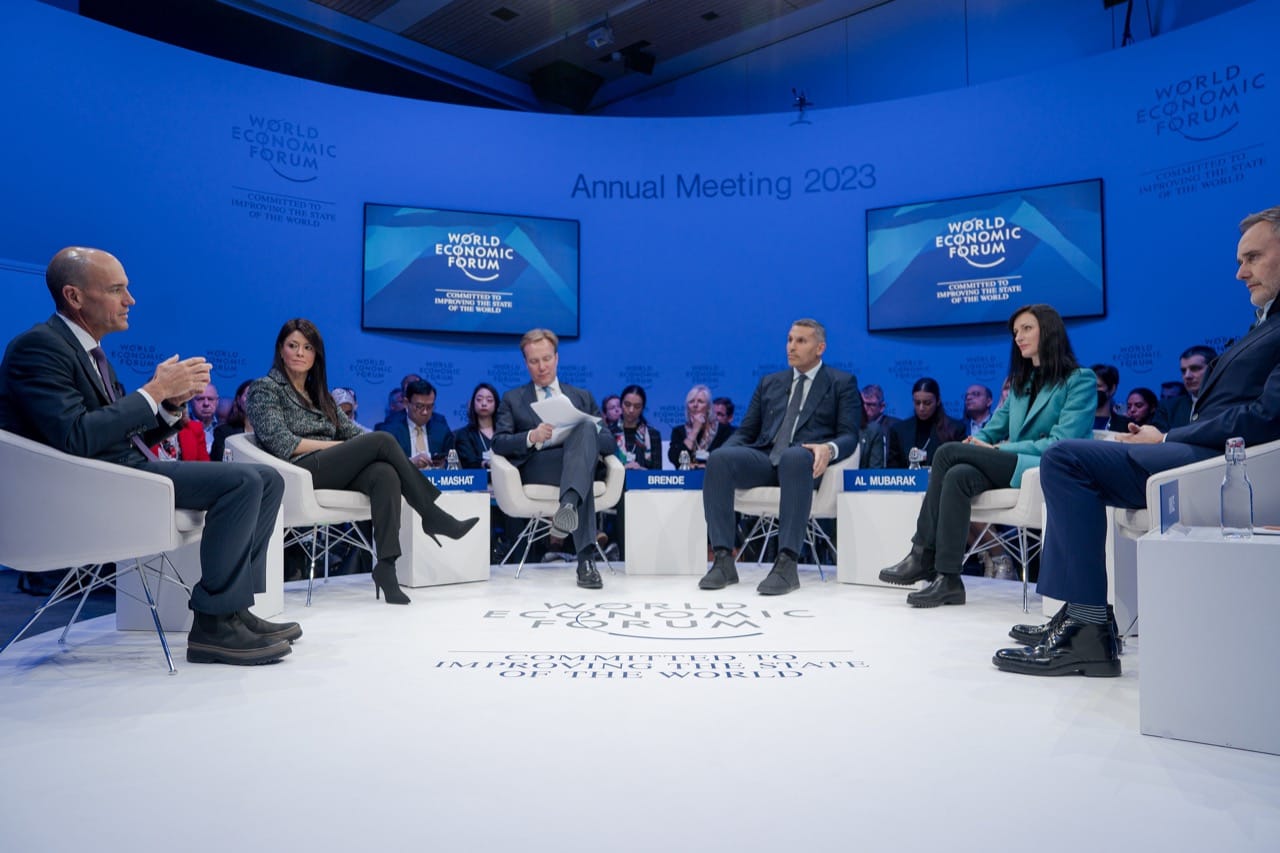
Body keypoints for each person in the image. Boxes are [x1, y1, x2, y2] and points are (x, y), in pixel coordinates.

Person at [994, 207, 1280, 676]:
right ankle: (1081, 615)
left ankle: (1088, 629)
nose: (1240, 272)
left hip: (1227, 465)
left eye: (1253, 258)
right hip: (1204, 453)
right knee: (1067, 463)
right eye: (1240, 260)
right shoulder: (1265, 322)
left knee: (1065, 459)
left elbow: (1267, 417)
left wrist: (1166, 435)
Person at [0, 247, 295, 665]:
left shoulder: (90, 354)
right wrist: (153, 391)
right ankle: (213, 624)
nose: (130, 300)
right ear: (74, 296)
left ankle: (234, 609)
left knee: (268, 478)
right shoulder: (38, 348)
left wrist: (170, 405)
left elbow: (116, 432)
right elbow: (76, 436)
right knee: (243, 480)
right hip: (84, 489)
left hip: (116, 472)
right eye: (116, 290)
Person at [246, 319, 477, 606]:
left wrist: (363, 449)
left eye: (307, 347)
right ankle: (432, 515)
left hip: (331, 467)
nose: (300, 353)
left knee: (384, 473)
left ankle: (387, 567)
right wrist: (343, 447)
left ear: (316, 355)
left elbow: (353, 434)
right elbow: (282, 443)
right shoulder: (265, 388)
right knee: (382, 440)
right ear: (281, 350)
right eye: (293, 346)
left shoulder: (320, 394)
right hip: (298, 470)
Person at [879, 304, 1095, 607]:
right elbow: (992, 430)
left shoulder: (1080, 379)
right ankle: (949, 579)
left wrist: (996, 449)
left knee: (947, 452)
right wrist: (975, 443)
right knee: (957, 475)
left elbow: (1062, 443)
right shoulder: (1021, 384)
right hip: (1015, 465)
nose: (1018, 337)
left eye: (1027, 329)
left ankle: (922, 553)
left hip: (1049, 467)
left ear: (1049, 331)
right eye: (1016, 332)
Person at [698, 319, 859, 595]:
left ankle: (787, 563)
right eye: (789, 339)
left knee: (794, 457)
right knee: (720, 459)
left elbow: (850, 435)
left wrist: (828, 448)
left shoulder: (841, 382)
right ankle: (723, 560)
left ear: (820, 348)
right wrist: (725, 454)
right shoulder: (770, 382)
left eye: (801, 341)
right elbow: (746, 432)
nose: (791, 347)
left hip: (806, 463)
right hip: (767, 458)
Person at [492, 328, 618, 589]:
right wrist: (532, 436)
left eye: (547, 359)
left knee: (585, 430)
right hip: (541, 467)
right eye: (534, 361)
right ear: (526, 363)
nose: (542, 367)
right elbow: (499, 442)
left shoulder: (582, 397)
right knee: (581, 474)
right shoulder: (513, 399)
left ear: (557, 358)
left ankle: (568, 506)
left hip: (578, 463)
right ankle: (585, 561)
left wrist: (581, 430)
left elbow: (609, 443)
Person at [886, 377, 963, 468]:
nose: (921, 408)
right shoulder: (898, 430)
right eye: (917, 403)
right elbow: (892, 469)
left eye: (927, 403)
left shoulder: (955, 429)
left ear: (938, 401)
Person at [377, 378, 454, 468]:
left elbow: (453, 464)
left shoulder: (442, 432)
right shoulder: (390, 432)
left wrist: (444, 465)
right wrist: (410, 463)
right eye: (419, 406)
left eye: (429, 407)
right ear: (406, 403)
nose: (425, 412)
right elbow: (383, 466)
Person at [1153, 344, 1217, 430]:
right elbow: (1157, 436)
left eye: (1195, 368)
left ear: (1214, 369)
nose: (1187, 376)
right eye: (1183, 371)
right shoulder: (1168, 408)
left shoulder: (1230, 403)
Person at [669, 384, 729, 468]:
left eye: (700, 401)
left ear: (708, 407)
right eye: (691, 402)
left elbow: (726, 460)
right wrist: (694, 431)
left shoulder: (724, 431)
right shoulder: (678, 431)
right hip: (688, 475)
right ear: (687, 408)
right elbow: (676, 459)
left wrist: (705, 465)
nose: (695, 405)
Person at [613, 384, 663, 470]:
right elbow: (602, 470)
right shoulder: (609, 433)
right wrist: (623, 469)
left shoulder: (653, 434)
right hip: (617, 478)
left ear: (643, 408)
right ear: (621, 404)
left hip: (643, 478)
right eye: (627, 404)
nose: (631, 410)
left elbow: (657, 472)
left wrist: (640, 471)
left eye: (637, 406)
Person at [452, 382, 500, 469]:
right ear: (472, 404)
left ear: (496, 404)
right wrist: (486, 464)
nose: (484, 403)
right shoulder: (464, 434)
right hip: (478, 476)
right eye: (479, 399)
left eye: (489, 400)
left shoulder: (504, 432)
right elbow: (469, 462)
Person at [210, 379, 251, 461]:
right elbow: (225, 463)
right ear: (238, 400)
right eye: (248, 395)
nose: (253, 400)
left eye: (258, 396)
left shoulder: (270, 432)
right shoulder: (224, 433)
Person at [1091, 364, 1130, 433]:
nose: (1092, 390)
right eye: (1089, 386)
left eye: (1098, 386)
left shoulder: (1126, 425)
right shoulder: (1076, 422)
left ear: (1112, 389)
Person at [189, 382, 219, 453]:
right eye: (200, 399)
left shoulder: (224, 427)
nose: (206, 403)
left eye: (210, 399)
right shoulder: (181, 427)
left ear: (217, 401)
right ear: (190, 401)